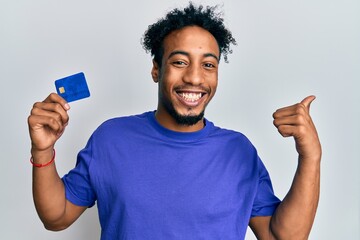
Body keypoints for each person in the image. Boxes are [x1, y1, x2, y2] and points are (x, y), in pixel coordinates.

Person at [28, 2, 321, 240]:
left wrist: (310, 157)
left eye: (208, 65)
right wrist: (42, 151)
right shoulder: (111, 138)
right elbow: (57, 218)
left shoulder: (239, 151)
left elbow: (283, 237)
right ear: (156, 69)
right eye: (180, 62)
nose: (194, 77)